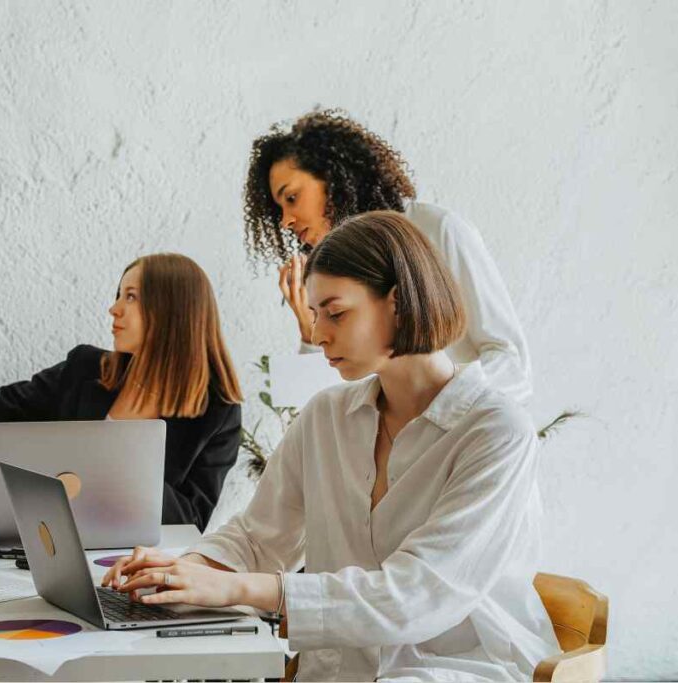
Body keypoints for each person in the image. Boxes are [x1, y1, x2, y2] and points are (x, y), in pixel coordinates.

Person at [102, 213, 560, 681]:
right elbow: (260, 536)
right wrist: (179, 571)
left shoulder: (496, 431)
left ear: (398, 302)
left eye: (335, 313)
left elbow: (417, 596)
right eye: (315, 314)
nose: (318, 333)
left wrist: (237, 588)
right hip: (339, 669)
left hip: (458, 668)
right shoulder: (325, 416)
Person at [0, 253, 243, 531]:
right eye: (119, 294)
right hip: (53, 550)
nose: (114, 308)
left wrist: (122, 464)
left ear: (173, 311)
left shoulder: (217, 412)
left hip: (136, 569)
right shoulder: (85, 369)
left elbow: (191, 523)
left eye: (131, 296)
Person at [244, 109, 533, 404]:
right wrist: (310, 331)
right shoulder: (329, 275)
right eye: (279, 209)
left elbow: (512, 366)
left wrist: (434, 406)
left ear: (333, 177)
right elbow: (318, 411)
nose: (285, 221)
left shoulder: (438, 231)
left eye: (291, 198)